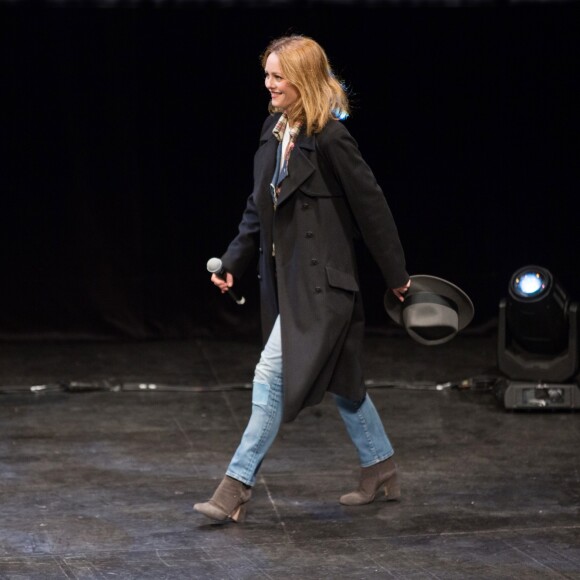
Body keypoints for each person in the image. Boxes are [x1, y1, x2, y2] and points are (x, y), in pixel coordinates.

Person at [194, 35, 411, 523]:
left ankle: (235, 487)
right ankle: (381, 467)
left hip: (323, 288)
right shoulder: (275, 129)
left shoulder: (331, 137)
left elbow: (371, 207)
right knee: (344, 383)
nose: (268, 84)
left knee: (270, 377)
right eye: (267, 74)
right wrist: (233, 260)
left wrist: (395, 274)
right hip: (284, 282)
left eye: (278, 76)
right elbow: (259, 206)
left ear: (304, 80)